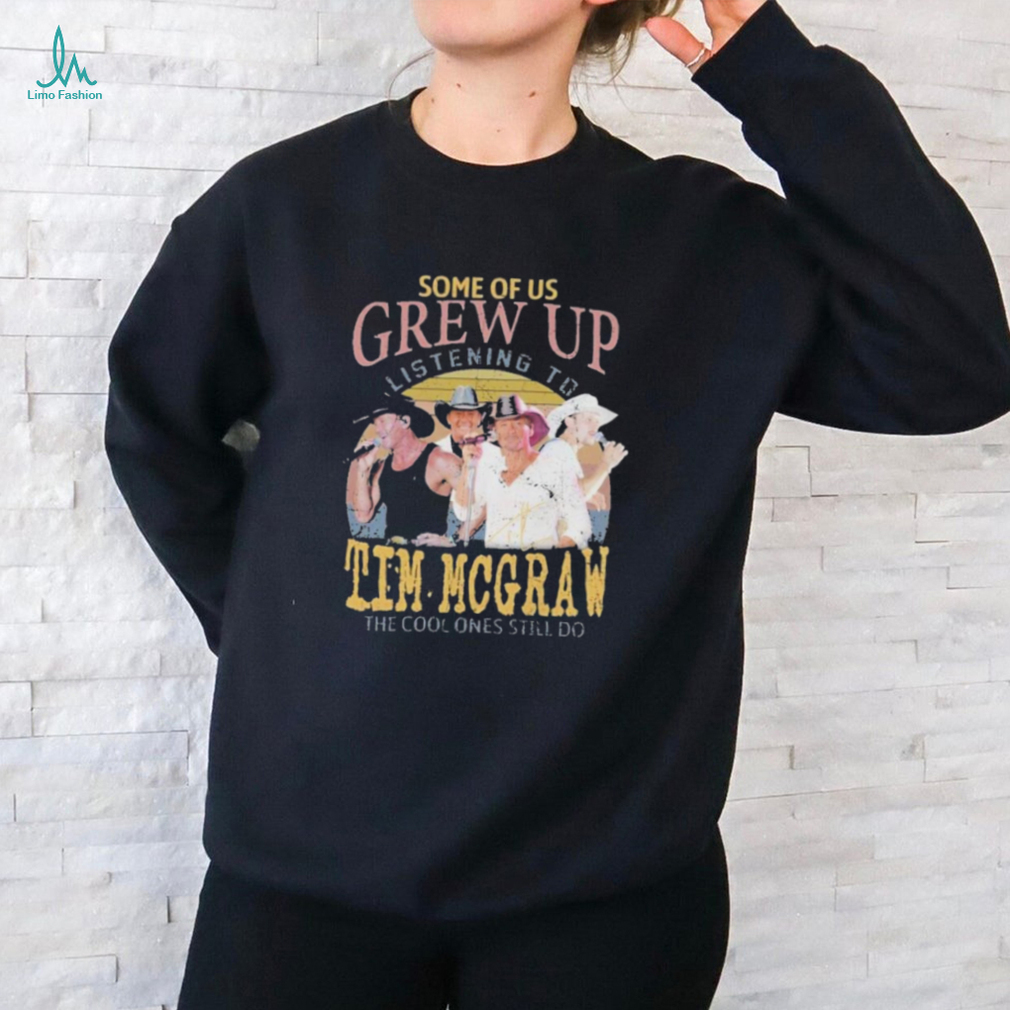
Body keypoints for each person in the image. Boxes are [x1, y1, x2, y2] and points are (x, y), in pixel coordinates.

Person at [102, 0, 1010, 1007]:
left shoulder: (705, 240)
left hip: (607, 893)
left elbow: (953, 363)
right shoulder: (278, 209)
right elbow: (158, 430)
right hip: (302, 882)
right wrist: (272, 629)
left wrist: (777, 77)